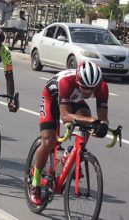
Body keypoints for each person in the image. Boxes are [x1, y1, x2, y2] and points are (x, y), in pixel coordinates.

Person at [30, 61, 109, 205]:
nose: (87, 92)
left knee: (87, 119)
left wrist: (103, 125)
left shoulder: (102, 87)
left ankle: (72, 152)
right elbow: (65, 115)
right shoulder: (66, 81)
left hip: (74, 99)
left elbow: (103, 118)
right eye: (84, 88)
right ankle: (35, 182)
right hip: (52, 99)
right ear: (78, 80)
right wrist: (93, 120)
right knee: (49, 140)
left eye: (91, 89)